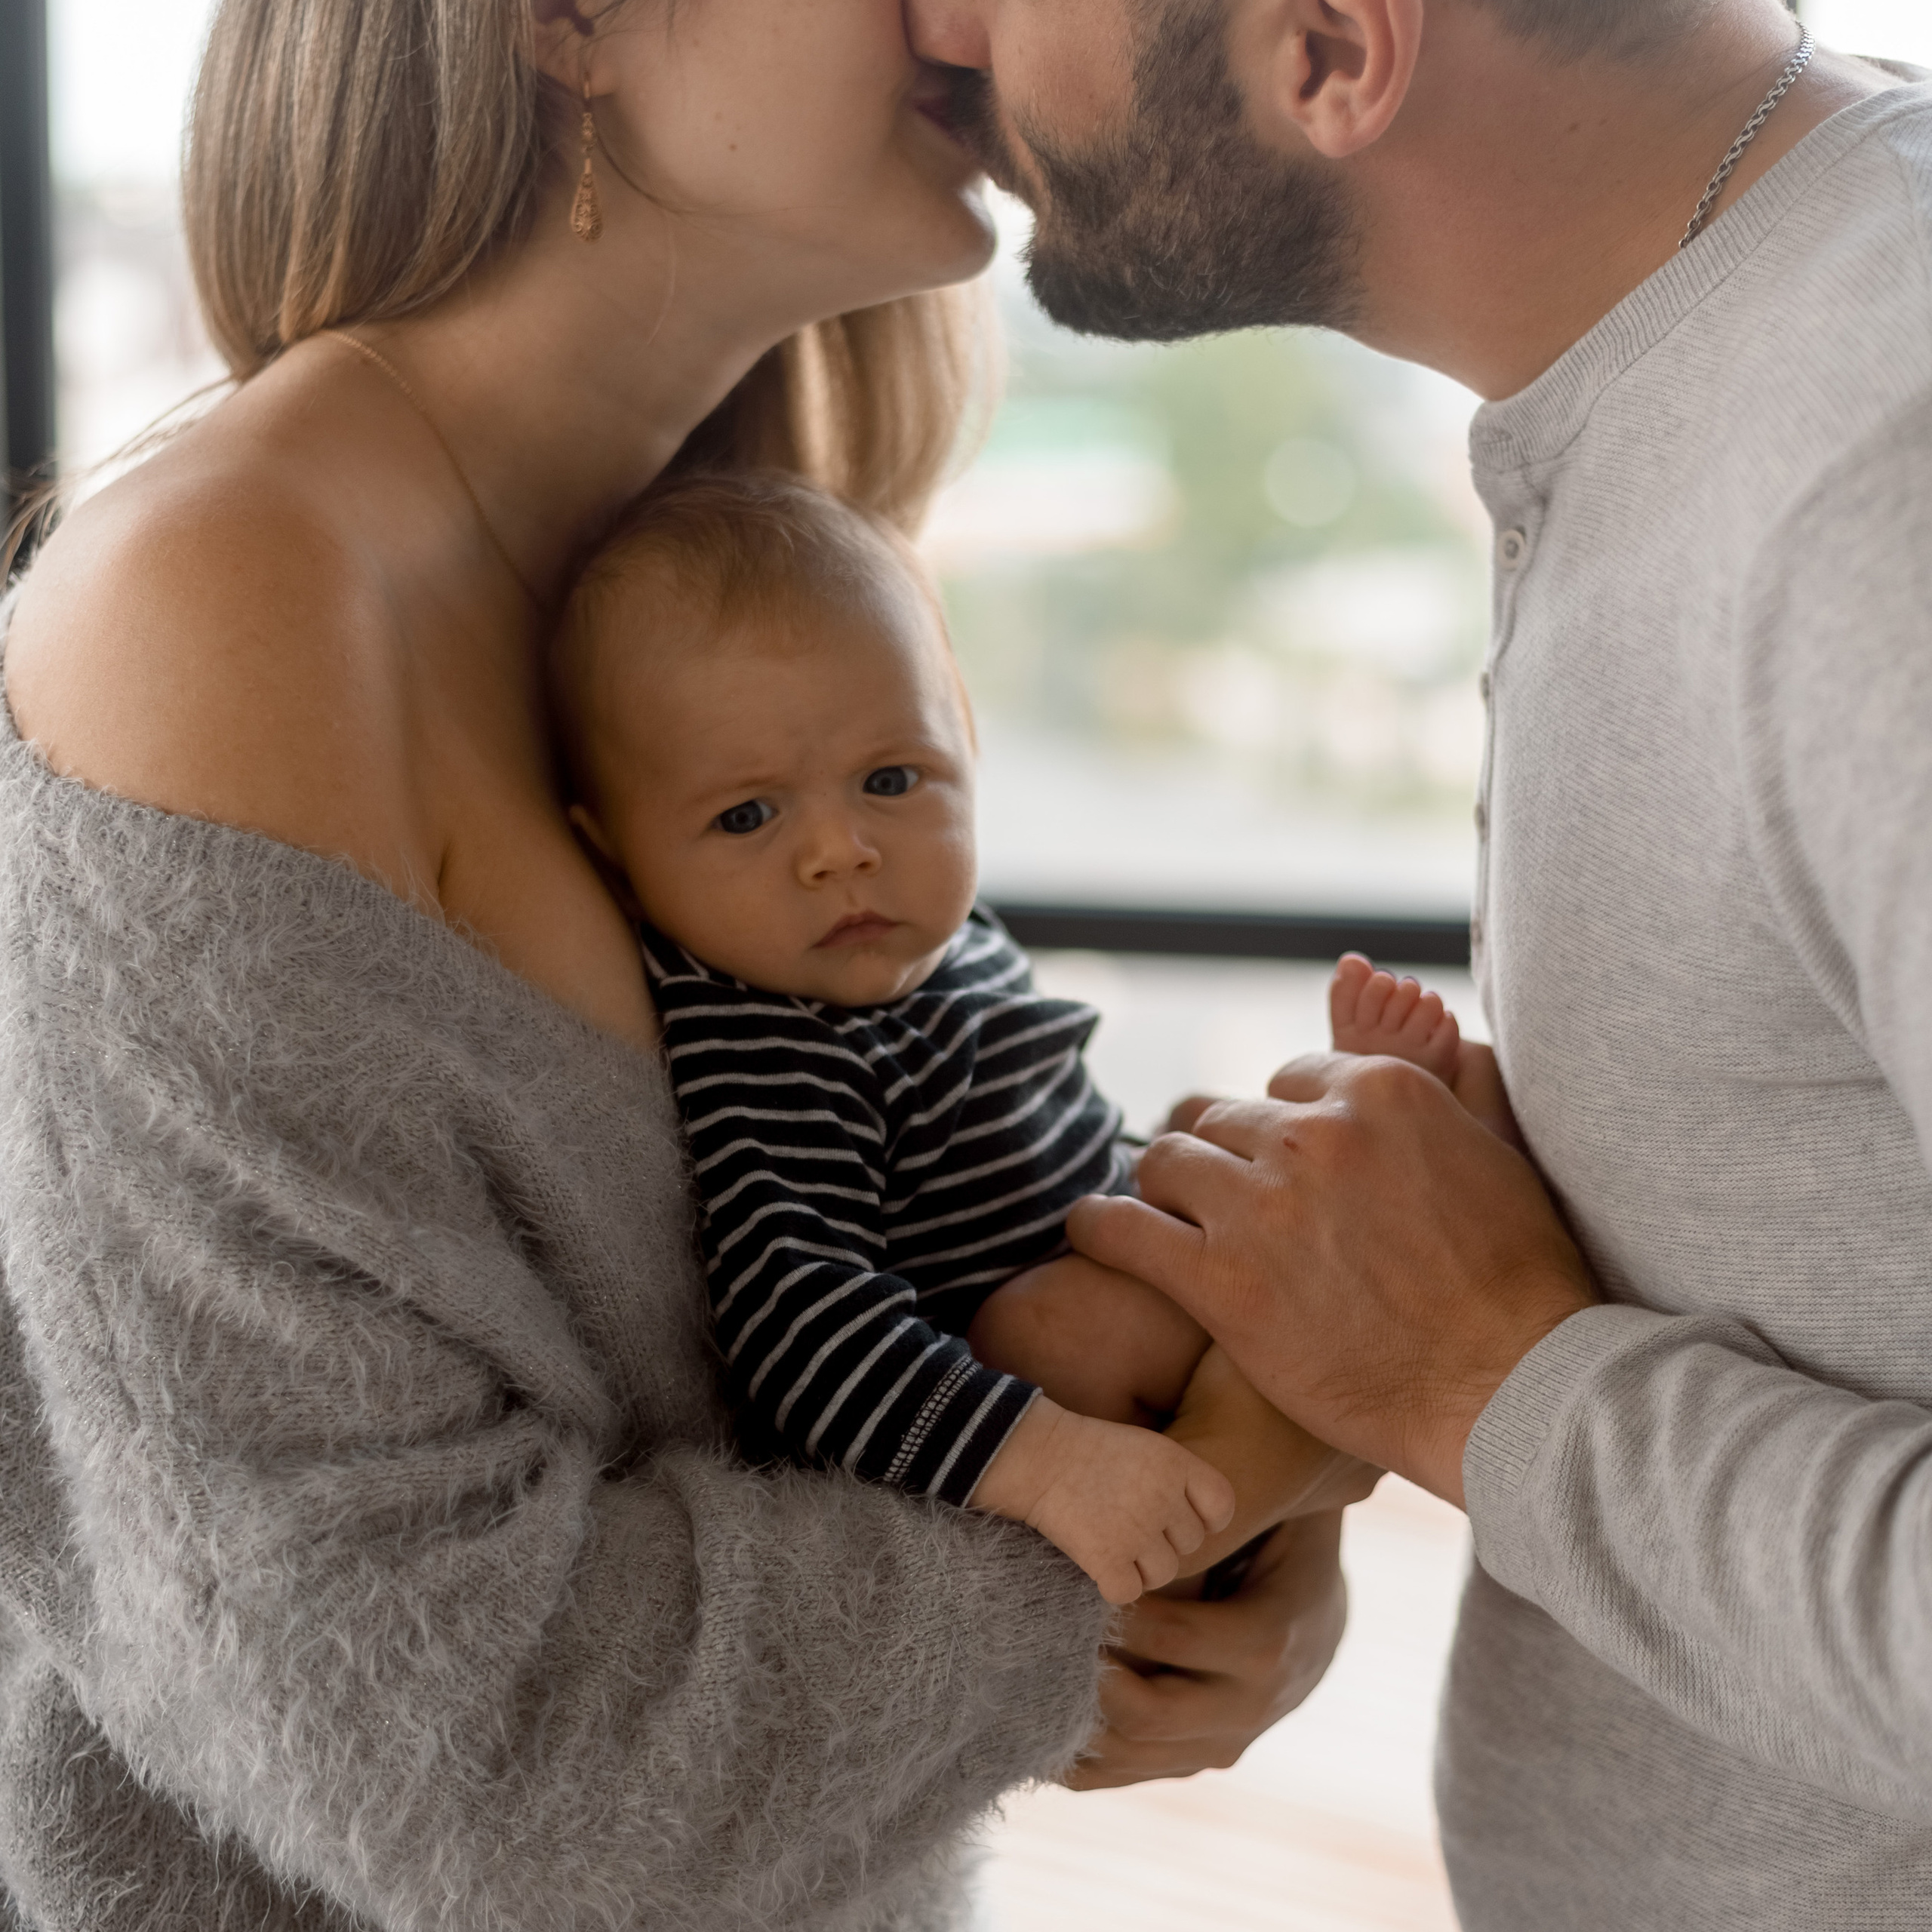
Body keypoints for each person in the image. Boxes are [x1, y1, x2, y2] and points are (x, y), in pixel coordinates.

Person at [0, 2, 1352, 1925]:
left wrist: (1261, 1483)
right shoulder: (229, 600)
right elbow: (437, 1728)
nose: (978, 12)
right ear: (562, 23)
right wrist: (1129, 1547)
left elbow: (913, 1238)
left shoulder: (717, 585)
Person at [906, 0, 1932, 1922]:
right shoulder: (1695, 369)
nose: (937, 27)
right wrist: (1335, 1407)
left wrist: (1480, 1387)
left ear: (1326, 49)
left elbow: (1527, 1364)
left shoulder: (1879, 480)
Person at [547, 469, 1377, 1604]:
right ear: (616, 861)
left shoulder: (944, 941)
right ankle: (1302, 1384)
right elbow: (801, 1320)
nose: (842, 848)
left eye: (893, 779)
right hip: (1029, 1403)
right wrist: (1039, 1460)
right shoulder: (775, 1044)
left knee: (1257, 1141)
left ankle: (1343, 1248)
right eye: (747, 814)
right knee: (1066, 1320)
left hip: (1116, 1259)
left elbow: (1053, 1142)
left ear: (967, 742)